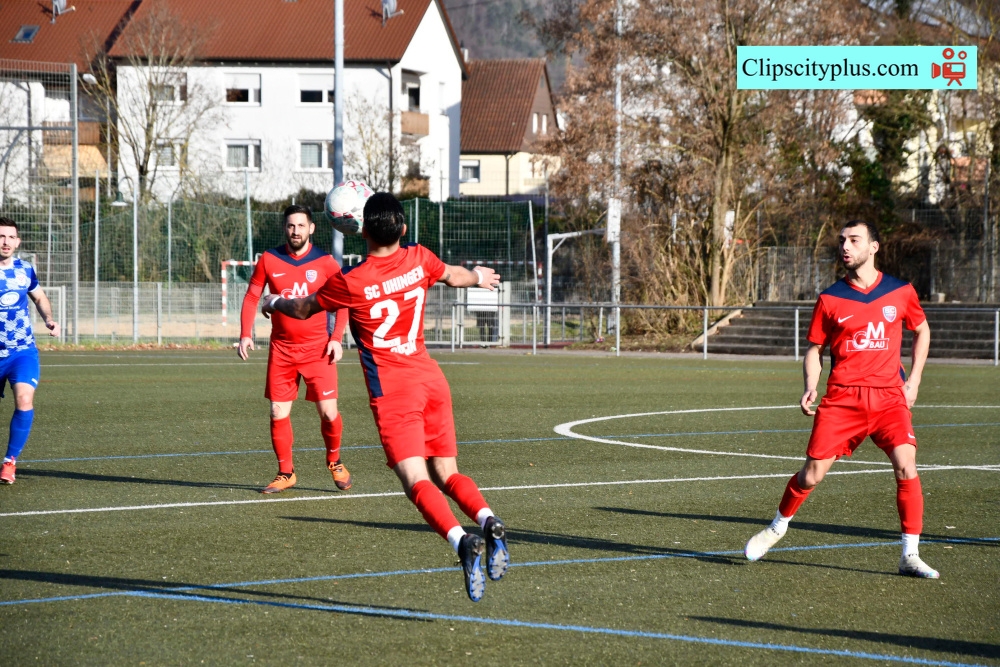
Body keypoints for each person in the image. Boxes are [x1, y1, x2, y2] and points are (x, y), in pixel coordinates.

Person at [262, 193, 509, 602]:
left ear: (361, 231)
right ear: (403, 229)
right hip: (432, 381)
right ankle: (488, 520)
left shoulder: (351, 281)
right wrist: (479, 276)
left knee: (416, 481)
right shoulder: (420, 258)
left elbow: (303, 308)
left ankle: (461, 541)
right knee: (448, 473)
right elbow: (453, 275)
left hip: (394, 393)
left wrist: (274, 300)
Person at [744, 219, 938, 578]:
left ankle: (909, 555)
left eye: (854, 240)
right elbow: (814, 349)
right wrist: (810, 385)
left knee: (906, 466)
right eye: (842, 241)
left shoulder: (900, 291)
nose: (845, 246)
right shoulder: (830, 298)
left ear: (873, 247)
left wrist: (914, 381)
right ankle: (776, 527)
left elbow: (922, 330)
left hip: (889, 398)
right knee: (811, 475)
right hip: (843, 399)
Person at [238, 205, 352, 494]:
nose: (296, 231)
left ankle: (335, 461)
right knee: (277, 412)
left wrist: (336, 338)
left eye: (301, 226)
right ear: (284, 229)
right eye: (291, 226)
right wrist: (245, 334)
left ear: (311, 228)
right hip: (282, 350)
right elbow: (252, 297)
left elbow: (343, 301)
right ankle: (285, 473)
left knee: (328, 413)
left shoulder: (326, 262)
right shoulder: (269, 259)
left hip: (318, 350)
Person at [0, 217, 60, 484]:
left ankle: (9, 462)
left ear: (18, 241)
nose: (5, 242)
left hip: (21, 351)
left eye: (10, 237)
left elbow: (39, 297)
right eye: (1, 236)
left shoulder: (25, 270)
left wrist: (49, 319)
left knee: (24, 399)